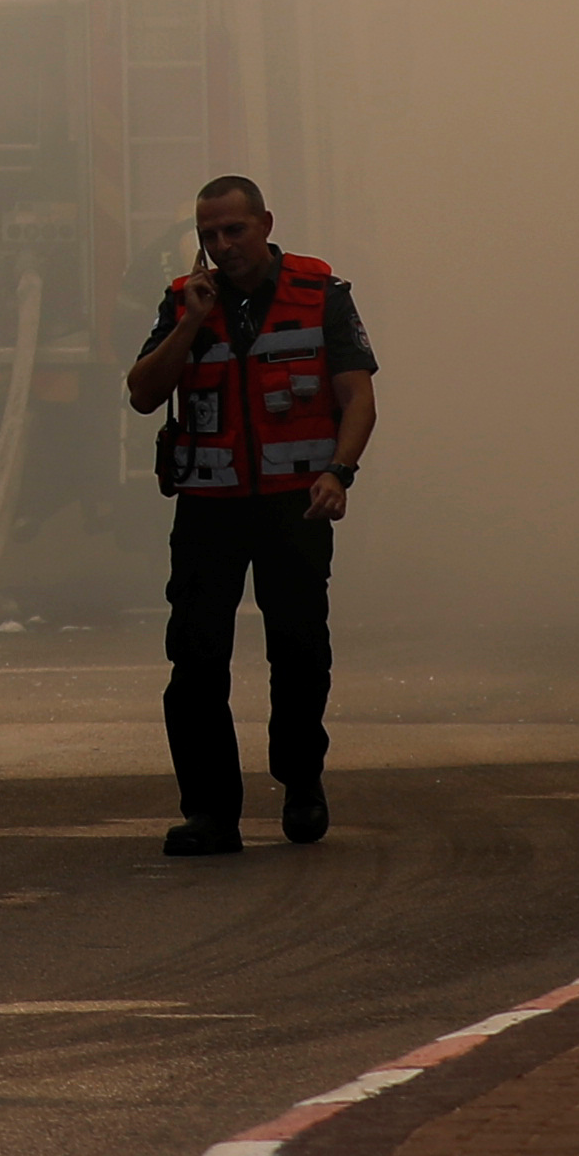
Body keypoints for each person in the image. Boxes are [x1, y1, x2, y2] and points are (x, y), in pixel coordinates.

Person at [128, 175, 375, 855]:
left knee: (299, 651)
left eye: (234, 230)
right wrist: (189, 323)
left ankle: (301, 782)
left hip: (296, 506)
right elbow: (144, 393)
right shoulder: (185, 301)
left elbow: (357, 397)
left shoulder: (321, 296)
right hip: (210, 508)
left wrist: (339, 473)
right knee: (196, 661)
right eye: (209, 235)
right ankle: (210, 812)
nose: (222, 245)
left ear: (264, 223)